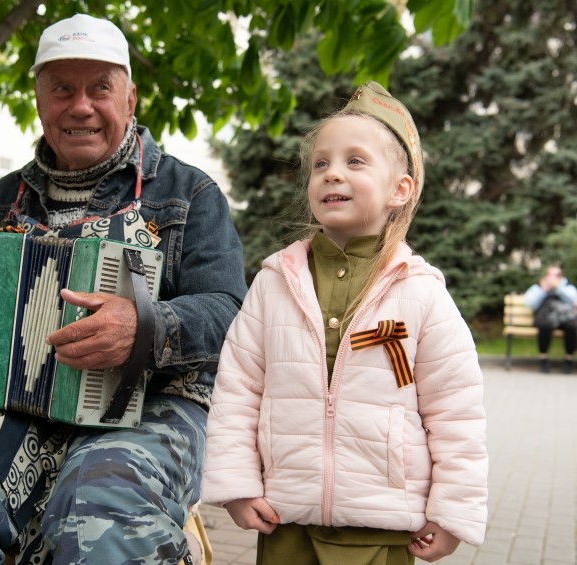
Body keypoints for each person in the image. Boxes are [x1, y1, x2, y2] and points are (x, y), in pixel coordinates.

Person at [0, 13, 247, 565]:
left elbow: (228, 309)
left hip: (154, 403)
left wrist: (146, 326)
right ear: (40, 99)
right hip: (14, 407)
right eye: (62, 88)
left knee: (100, 497)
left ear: (131, 97)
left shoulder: (190, 192)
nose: (81, 106)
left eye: (101, 88)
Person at [201, 82, 488, 564]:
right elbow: (237, 390)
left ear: (401, 189)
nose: (333, 173)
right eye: (321, 164)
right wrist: (236, 485)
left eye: (355, 161)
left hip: (382, 528)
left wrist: (453, 513)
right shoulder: (275, 283)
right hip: (284, 519)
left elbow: (456, 414)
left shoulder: (421, 293)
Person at [523, 264, 577, 374]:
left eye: (557, 275)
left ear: (561, 276)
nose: (554, 278)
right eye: (551, 275)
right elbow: (530, 304)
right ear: (546, 276)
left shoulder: (567, 287)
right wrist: (543, 290)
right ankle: (543, 358)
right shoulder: (538, 287)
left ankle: (568, 359)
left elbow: (574, 300)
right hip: (546, 317)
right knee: (545, 325)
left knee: (572, 326)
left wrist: (559, 289)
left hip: (564, 317)